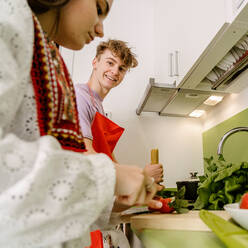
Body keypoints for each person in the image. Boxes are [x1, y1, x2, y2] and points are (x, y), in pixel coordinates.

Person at [0, 0, 161, 247]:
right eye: (98, 9)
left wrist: (118, 192)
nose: (100, 30)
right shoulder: (8, 22)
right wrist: (113, 177)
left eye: (121, 69)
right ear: (95, 62)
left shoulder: (51, 59)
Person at [75, 39, 164, 185]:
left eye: (121, 69)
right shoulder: (79, 96)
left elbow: (110, 160)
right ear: (95, 63)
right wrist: (141, 176)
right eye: (110, 63)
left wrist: (142, 182)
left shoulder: (99, 107)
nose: (115, 71)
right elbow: (85, 155)